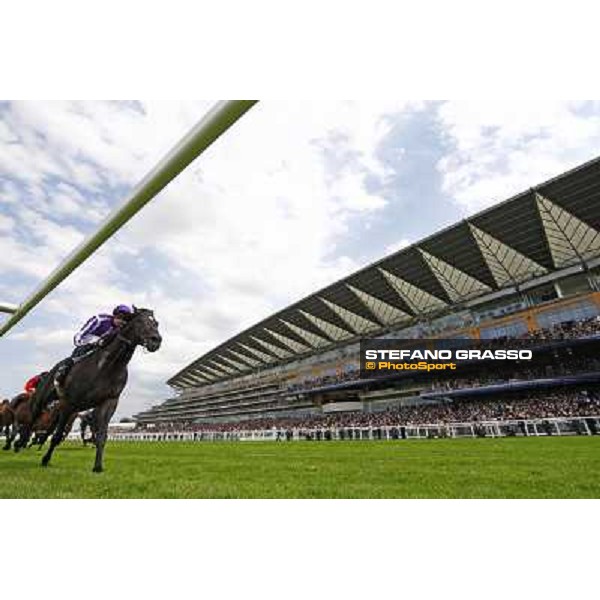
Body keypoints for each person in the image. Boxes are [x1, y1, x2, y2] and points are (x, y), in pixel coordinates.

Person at [54, 304, 134, 390]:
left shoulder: (121, 329)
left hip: (102, 349)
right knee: (82, 351)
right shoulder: (99, 319)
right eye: (119, 317)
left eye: (124, 319)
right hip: (86, 343)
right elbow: (78, 337)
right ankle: (64, 369)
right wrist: (93, 342)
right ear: (114, 315)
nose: (121, 321)